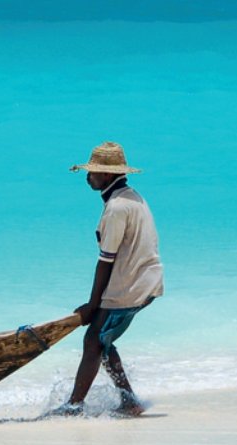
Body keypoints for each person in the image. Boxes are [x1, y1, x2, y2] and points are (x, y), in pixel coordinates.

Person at [56, 141, 163, 417]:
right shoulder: (133, 197)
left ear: (106, 175)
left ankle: (74, 406)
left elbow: (106, 261)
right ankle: (129, 401)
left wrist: (93, 304)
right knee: (102, 340)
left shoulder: (116, 207)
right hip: (143, 279)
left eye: (91, 172)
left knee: (93, 340)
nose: (87, 176)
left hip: (130, 284)